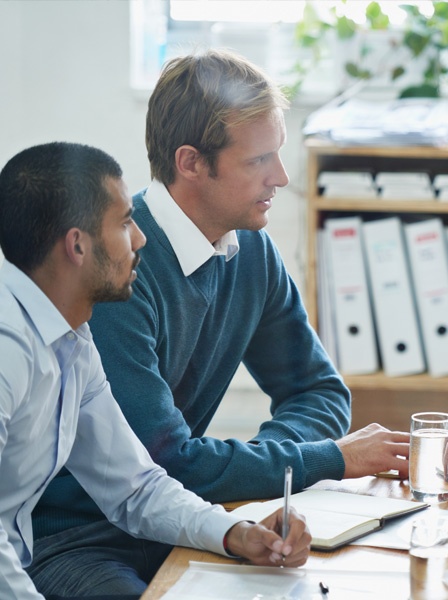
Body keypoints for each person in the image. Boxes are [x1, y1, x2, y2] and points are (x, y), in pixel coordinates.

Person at [28, 50, 407, 597]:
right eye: (260, 160)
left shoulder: (251, 250)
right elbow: (167, 462)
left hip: (188, 517)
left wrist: (274, 478)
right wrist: (322, 460)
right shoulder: (116, 270)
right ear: (191, 163)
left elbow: (317, 390)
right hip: (80, 538)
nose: (281, 176)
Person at [0, 142, 312, 600]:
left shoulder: (74, 340)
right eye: (125, 224)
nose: (140, 238)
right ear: (78, 245)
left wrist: (234, 533)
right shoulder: (8, 349)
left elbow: (134, 488)